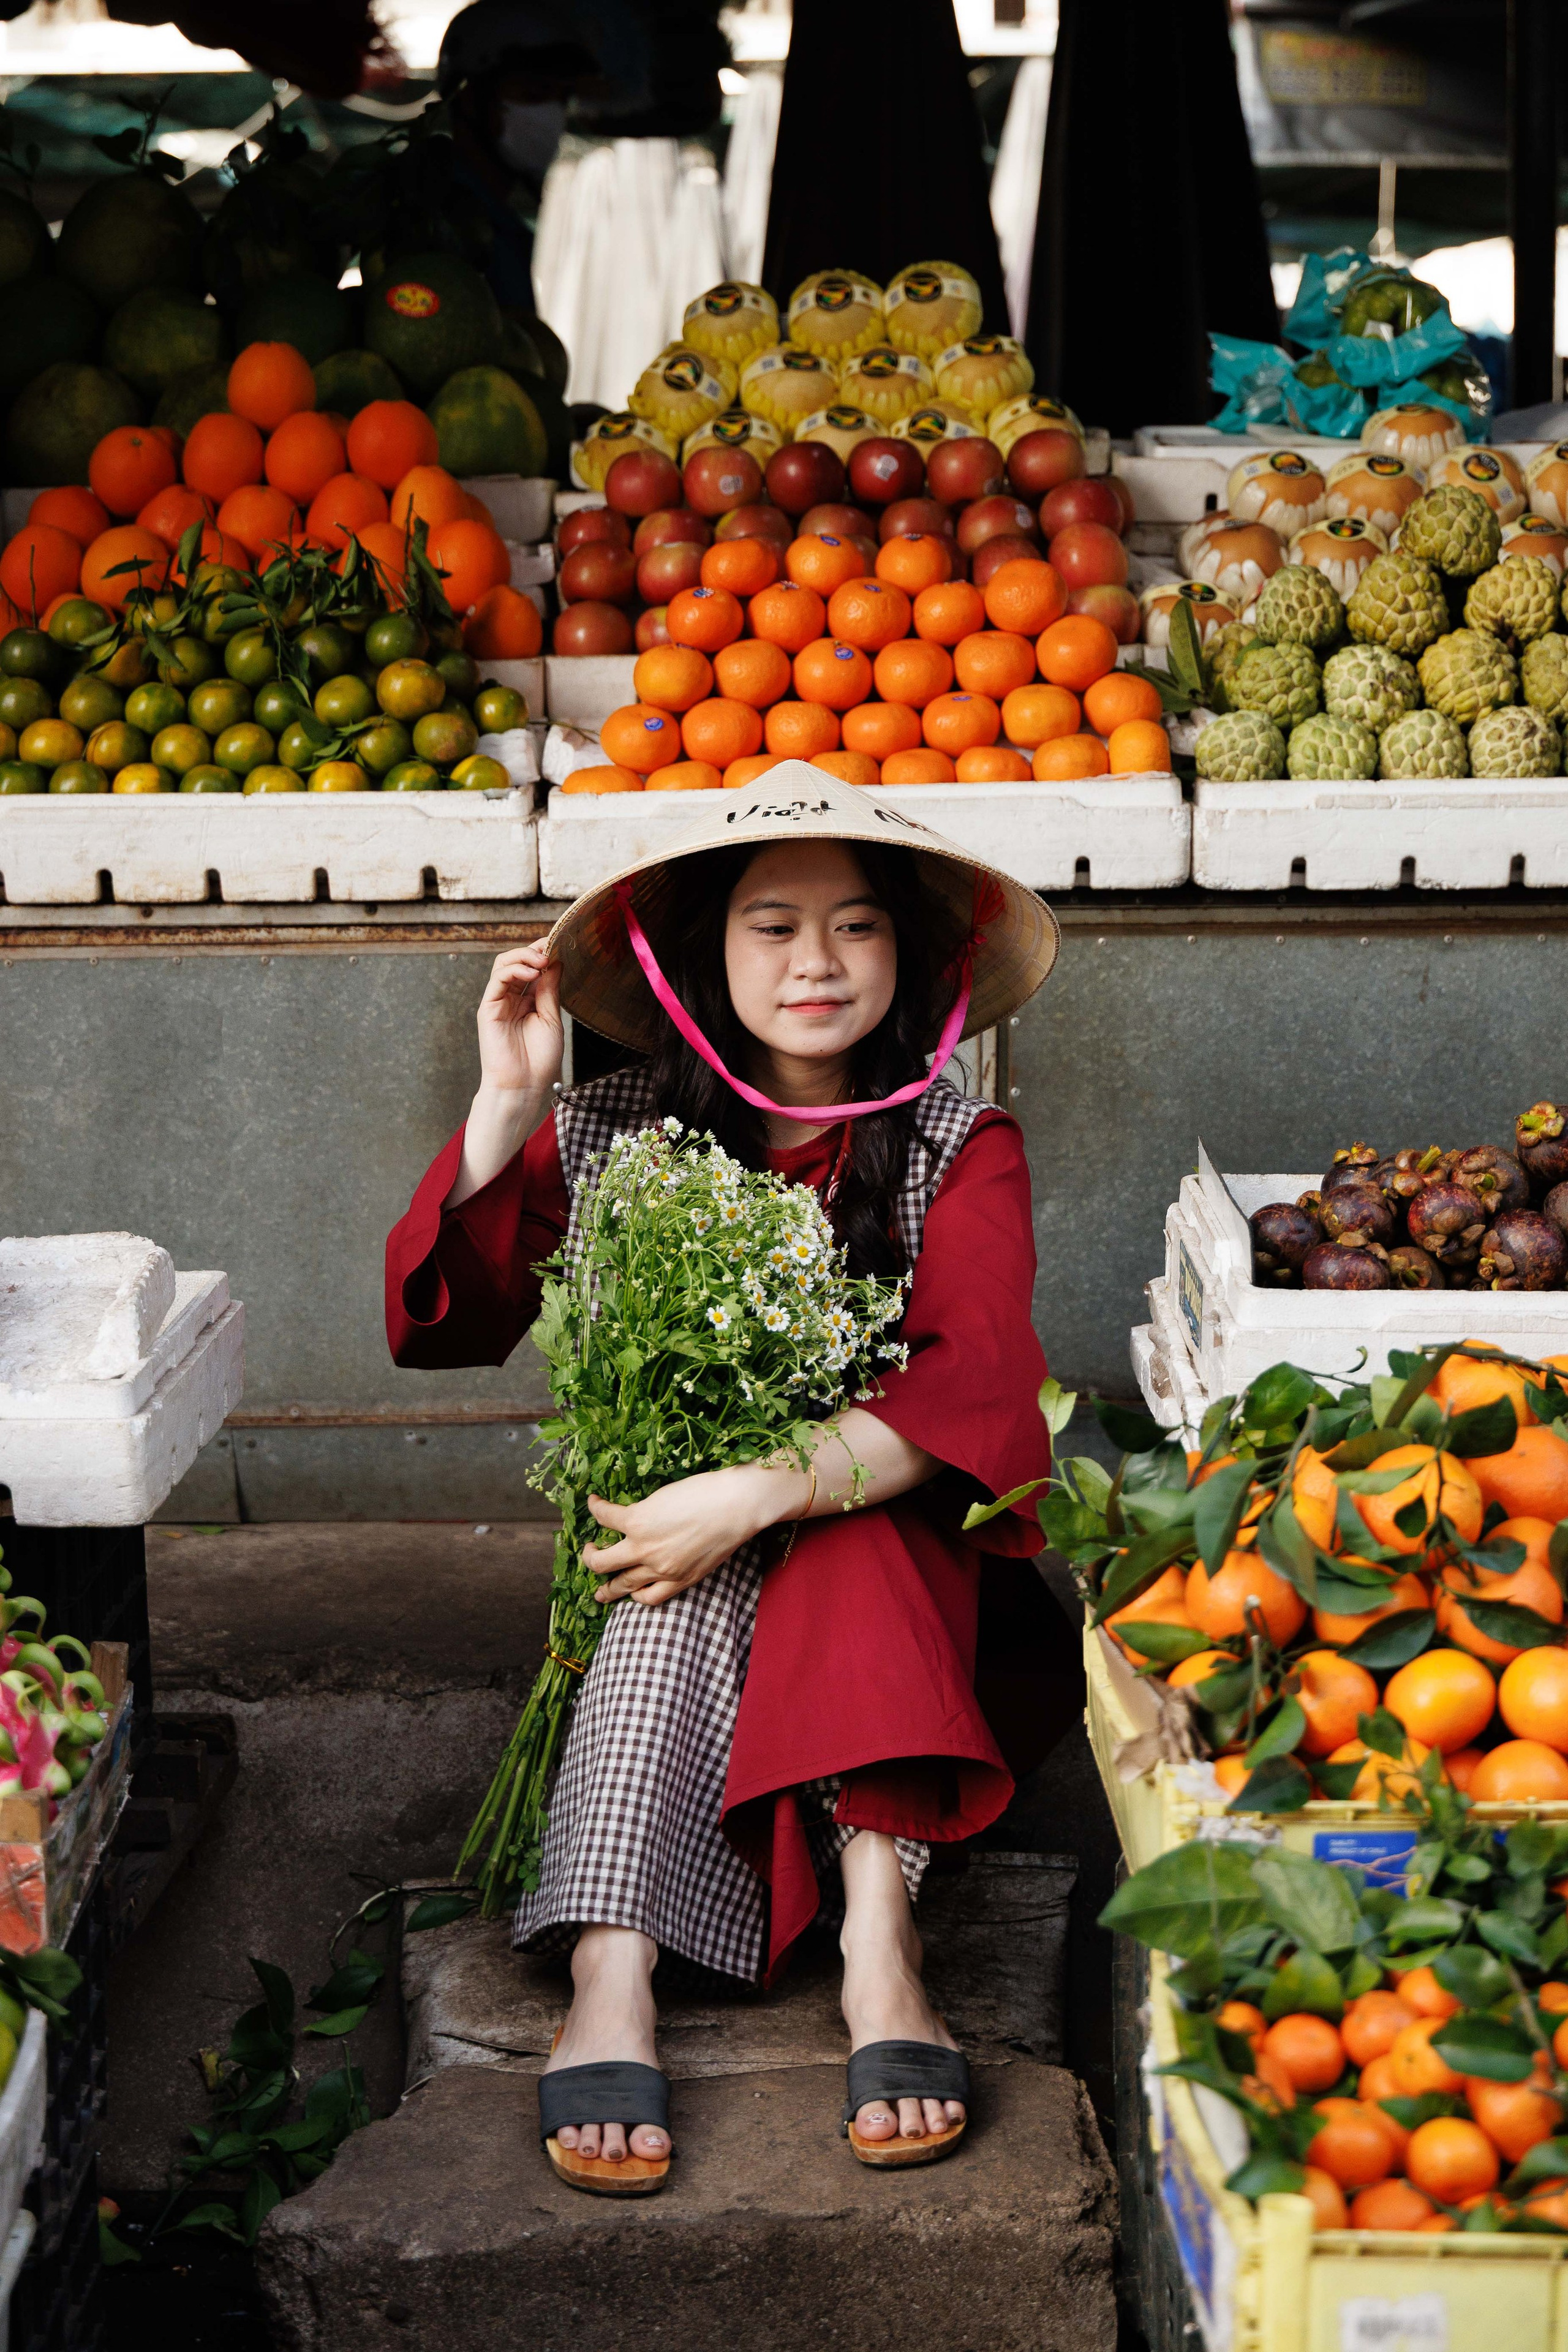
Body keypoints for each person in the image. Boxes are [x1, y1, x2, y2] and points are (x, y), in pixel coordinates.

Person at [385, 765, 1060, 2192]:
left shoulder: (958, 1143)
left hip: (915, 1602)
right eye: (771, 925)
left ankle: (875, 1944)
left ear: (911, 955)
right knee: (669, 1543)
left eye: (857, 925)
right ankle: (616, 1971)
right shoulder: (622, 1126)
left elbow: (977, 1387)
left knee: (840, 1516)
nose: (816, 962)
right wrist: (507, 1106)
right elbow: (455, 1315)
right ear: (703, 953)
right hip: (665, 1575)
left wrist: (761, 1490)